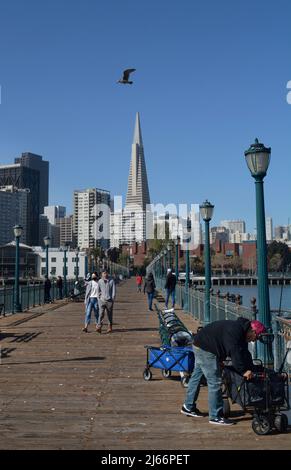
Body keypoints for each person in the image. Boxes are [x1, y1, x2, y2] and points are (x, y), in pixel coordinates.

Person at [181, 317, 266, 425]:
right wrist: (243, 371)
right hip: (206, 349)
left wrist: (251, 367)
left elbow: (244, 353)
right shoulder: (236, 332)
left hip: (200, 343)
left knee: (197, 376)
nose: (255, 340)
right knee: (215, 382)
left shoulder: (241, 331)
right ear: (253, 331)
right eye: (256, 337)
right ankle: (215, 416)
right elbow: (234, 352)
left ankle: (188, 406)